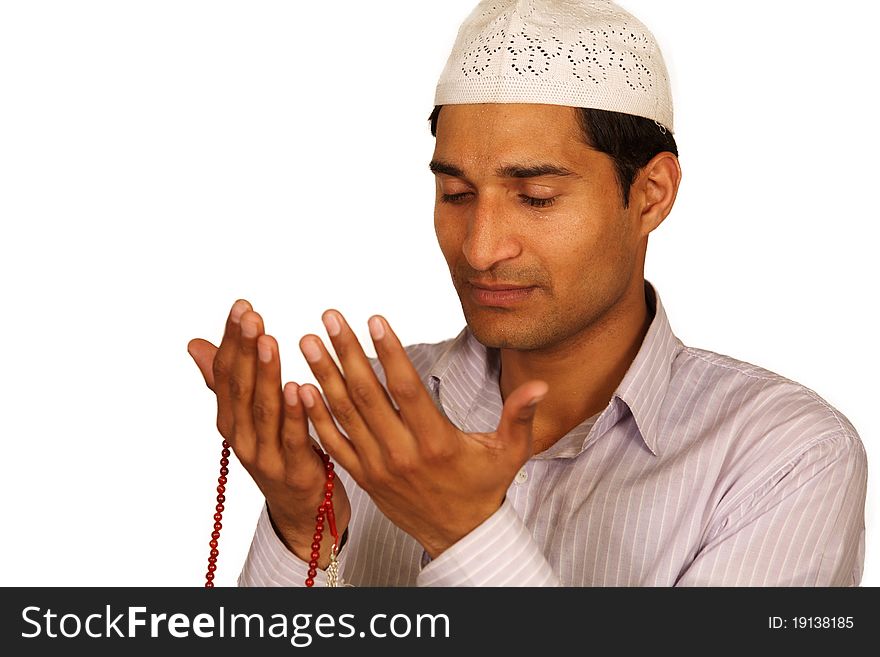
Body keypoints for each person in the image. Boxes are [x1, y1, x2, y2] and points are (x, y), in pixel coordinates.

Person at [187, 0, 867, 586]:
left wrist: (466, 534)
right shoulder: (368, 417)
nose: (480, 248)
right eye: (455, 193)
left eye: (535, 198)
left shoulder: (784, 456)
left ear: (651, 195)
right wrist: (302, 525)